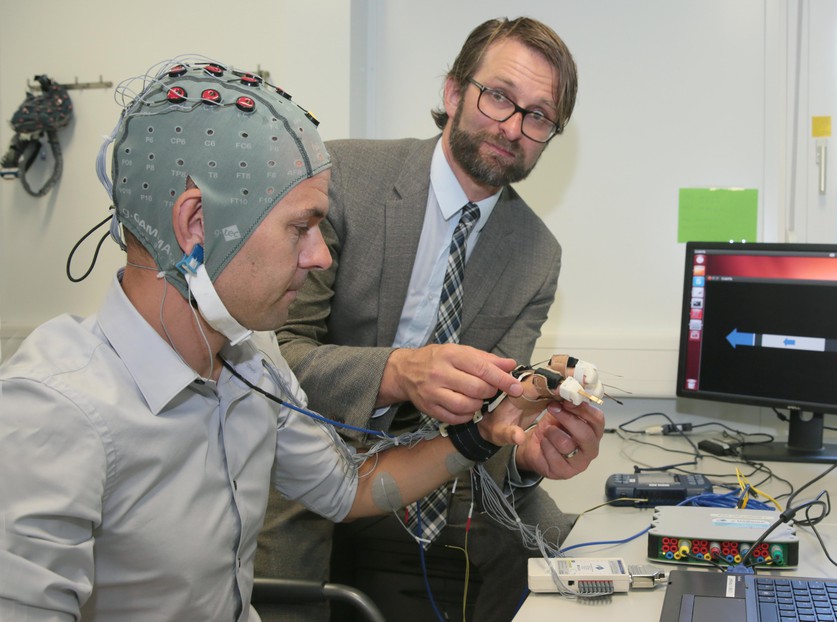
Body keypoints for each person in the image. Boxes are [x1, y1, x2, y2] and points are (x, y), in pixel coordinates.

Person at [0, 56, 573, 621]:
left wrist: (482, 435)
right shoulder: (54, 413)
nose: (320, 255)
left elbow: (351, 491)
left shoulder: (253, 368)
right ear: (197, 226)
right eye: (300, 228)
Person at [256, 16, 603, 622]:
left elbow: (492, 428)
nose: (512, 127)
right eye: (498, 97)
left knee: (572, 559)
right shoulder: (345, 181)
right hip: (307, 464)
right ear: (452, 93)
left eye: (538, 116)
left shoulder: (535, 256)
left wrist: (526, 444)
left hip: (436, 483)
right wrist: (398, 373)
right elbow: (274, 363)